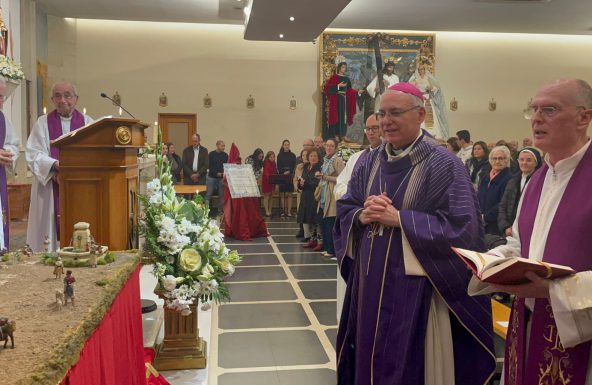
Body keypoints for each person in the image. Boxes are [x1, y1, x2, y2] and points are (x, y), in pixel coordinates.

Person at [334, 82, 494, 385]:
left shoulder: (443, 164)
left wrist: (402, 219)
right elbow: (346, 207)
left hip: (417, 294)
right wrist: (362, 215)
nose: (385, 122)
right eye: (382, 114)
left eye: (395, 113)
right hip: (368, 288)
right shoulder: (368, 161)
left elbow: (464, 230)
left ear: (421, 114)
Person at [467, 79, 592, 385]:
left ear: (584, 118)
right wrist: (495, 261)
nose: (536, 118)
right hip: (527, 323)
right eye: (533, 109)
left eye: (549, 110)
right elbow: (521, 245)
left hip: (581, 338)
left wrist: (553, 290)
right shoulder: (537, 179)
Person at [26, 82, 93, 252]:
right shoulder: (42, 123)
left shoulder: (88, 124)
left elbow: (93, 154)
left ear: (76, 99)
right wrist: (54, 165)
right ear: (52, 100)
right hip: (49, 187)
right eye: (57, 95)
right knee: (48, 236)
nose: (62, 100)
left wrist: (71, 170)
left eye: (67, 95)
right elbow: (33, 154)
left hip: (79, 188)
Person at [334, 114, 383, 320]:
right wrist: (359, 201)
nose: (371, 132)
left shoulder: (389, 157)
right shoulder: (355, 158)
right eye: (368, 129)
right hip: (356, 222)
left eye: (375, 128)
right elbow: (340, 185)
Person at [497, 147, 542, 237]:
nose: (524, 163)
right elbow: (503, 206)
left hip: (530, 232)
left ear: (536, 163)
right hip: (510, 230)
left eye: (529, 160)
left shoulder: (541, 182)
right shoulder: (512, 181)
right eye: (521, 160)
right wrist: (505, 227)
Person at [315, 138, 344, 258]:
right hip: (324, 195)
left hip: (332, 196)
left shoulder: (337, 160)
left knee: (331, 224)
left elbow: (342, 179)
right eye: (327, 145)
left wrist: (325, 177)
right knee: (324, 224)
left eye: (331, 146)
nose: (328, 148)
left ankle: (332, 250)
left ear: (335, 147)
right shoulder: (325, 161)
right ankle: (327, 248)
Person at [0, 79, 20, 250]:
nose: (1, 102)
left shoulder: (2, 119)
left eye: (1, 97)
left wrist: (7, 151)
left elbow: (13, 142)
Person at [477, 145, 513, 235]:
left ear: (507, 160)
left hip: (496, 226)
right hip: (481, 223)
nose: (497, 161)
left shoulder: (509, 179)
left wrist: (485, 217)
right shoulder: (486, 177)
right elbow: (478, 197)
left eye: (501, 158)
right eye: (494, 158)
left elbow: (503, 203)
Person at [409, 65, 449, 139]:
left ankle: (433, 134)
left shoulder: (429, 78)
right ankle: (420, 134)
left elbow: (437, 88)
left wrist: (431, 88)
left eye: (422, 69)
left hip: (428, 99)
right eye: (419, 70)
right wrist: (418, 93)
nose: (421, 71)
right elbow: (411, 90)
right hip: (419, 99)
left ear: (424, 70)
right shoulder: (415, 79)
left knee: (431, 115)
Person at [324, 62, 358, 142]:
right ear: (339, 68)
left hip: (344, 100)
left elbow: (349, 90)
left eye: (345, 67)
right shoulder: (334, 77)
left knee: (344, 117)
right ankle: (336, 134)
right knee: (337, 116)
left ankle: (343, 134)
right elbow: (327, 88)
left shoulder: (346, 79)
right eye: (343, 67)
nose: (344, 69)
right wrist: (338, 86)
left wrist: (357, 92)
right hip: (336, 100)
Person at [297, 148, 322, 249]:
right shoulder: (306, 167)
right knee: (307, 218)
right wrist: (300, 184)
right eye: (311, 156)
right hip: (305, 195)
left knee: (315, 219)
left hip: (314, 196)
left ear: (318, 157)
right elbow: (302, 182)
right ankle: (312, 239)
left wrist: (306, 183)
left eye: (315, 156)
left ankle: (319, 241)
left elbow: (317, 183)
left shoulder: (319, 168)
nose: (313, 158)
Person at [205, 140, 228, 214]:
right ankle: (205, 209)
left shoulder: (225, 155)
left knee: (221, 195)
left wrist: (222, 174)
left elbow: (226, 166)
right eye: (222, 146)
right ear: (217, 145)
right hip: (211, 177)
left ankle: (220, 210)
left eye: (224, 146)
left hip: (221, 177)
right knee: (209, 193)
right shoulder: (211, 154)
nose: (223, 147)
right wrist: (216, 173)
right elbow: (209, 165)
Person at [276, 139, 296, 217]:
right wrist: (283, 172)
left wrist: (289, 171)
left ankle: (289, 211)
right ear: (283, 145)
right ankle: (284, 211)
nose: (287, 146)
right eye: (285, 144)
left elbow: (294, 165)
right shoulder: (279, 155)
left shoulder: (293, 155)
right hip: (282, 176)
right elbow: (278, 166)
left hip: (289, 176)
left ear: (289, 145)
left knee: (289, 194)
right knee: (282, 194)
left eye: (288, 144)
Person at [261, 151, 277, 217]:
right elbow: (266, 173)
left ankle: (270, 210)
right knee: (266, 196)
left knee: (271, 196)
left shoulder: (274, 163)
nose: (272, 158)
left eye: (273, 157)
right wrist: (271, 179)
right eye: (271, 157)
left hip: (272, 181)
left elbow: (275, 171)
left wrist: (275, 180)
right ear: (268, 157)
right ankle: (266, 210)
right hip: (266, 181)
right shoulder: (266, 163)